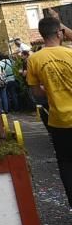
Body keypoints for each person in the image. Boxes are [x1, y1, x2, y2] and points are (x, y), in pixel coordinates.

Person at [25, 16, 72, 208]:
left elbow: (37, 93)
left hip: (59, 121)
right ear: (59, 33)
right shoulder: (70, 53)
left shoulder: (34, 59)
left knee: (67, 165)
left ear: (41, 35)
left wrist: (51, 89)